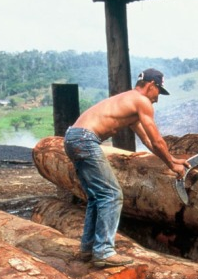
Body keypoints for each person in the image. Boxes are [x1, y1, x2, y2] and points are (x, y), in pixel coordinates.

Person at [63, 68, 190, 268]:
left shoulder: (128, 100)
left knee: (97, 197)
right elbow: (157, 141)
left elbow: (147, 140)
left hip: (73, 137)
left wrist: (173, 159)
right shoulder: (142, 102)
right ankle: (104, 251)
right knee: (111, 194)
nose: (157, 98)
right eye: (159, 92)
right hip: (85, 140)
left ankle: (88, 248)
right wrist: (172, 165)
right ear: (151, 86)